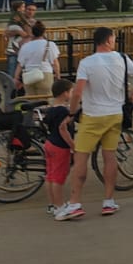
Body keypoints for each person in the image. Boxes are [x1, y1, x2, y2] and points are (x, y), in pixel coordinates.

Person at [58, 27, 133, 221]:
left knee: (81, 158)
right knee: (109, 156)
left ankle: (75, 203)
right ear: (108, 40)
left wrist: (72, 113)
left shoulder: (87, 63)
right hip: (115, 114)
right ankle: (108, 201)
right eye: (113, 38)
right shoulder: (122, 59)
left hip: (92, 116)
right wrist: (131, 95)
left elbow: (79, 92)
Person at [41, 78, 75, 217]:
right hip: (60, 146)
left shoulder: (51, 109)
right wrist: (72, 145)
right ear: (65, 93)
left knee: (50, 176)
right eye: (71, 91)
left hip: (50, 143)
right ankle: (60, 207)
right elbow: (63, 129)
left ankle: (52, 204)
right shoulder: (63, 111)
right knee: (59, 178)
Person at [13, 21, 59, 98]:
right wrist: (58, 75)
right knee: (46, 99)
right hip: (45, 74)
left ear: (32, 32)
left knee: (31, 100)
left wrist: (16, 77)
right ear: (44, 32)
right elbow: (55, 62)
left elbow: (20, 64)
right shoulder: (50, 44)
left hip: (29, 75)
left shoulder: (25, 46)